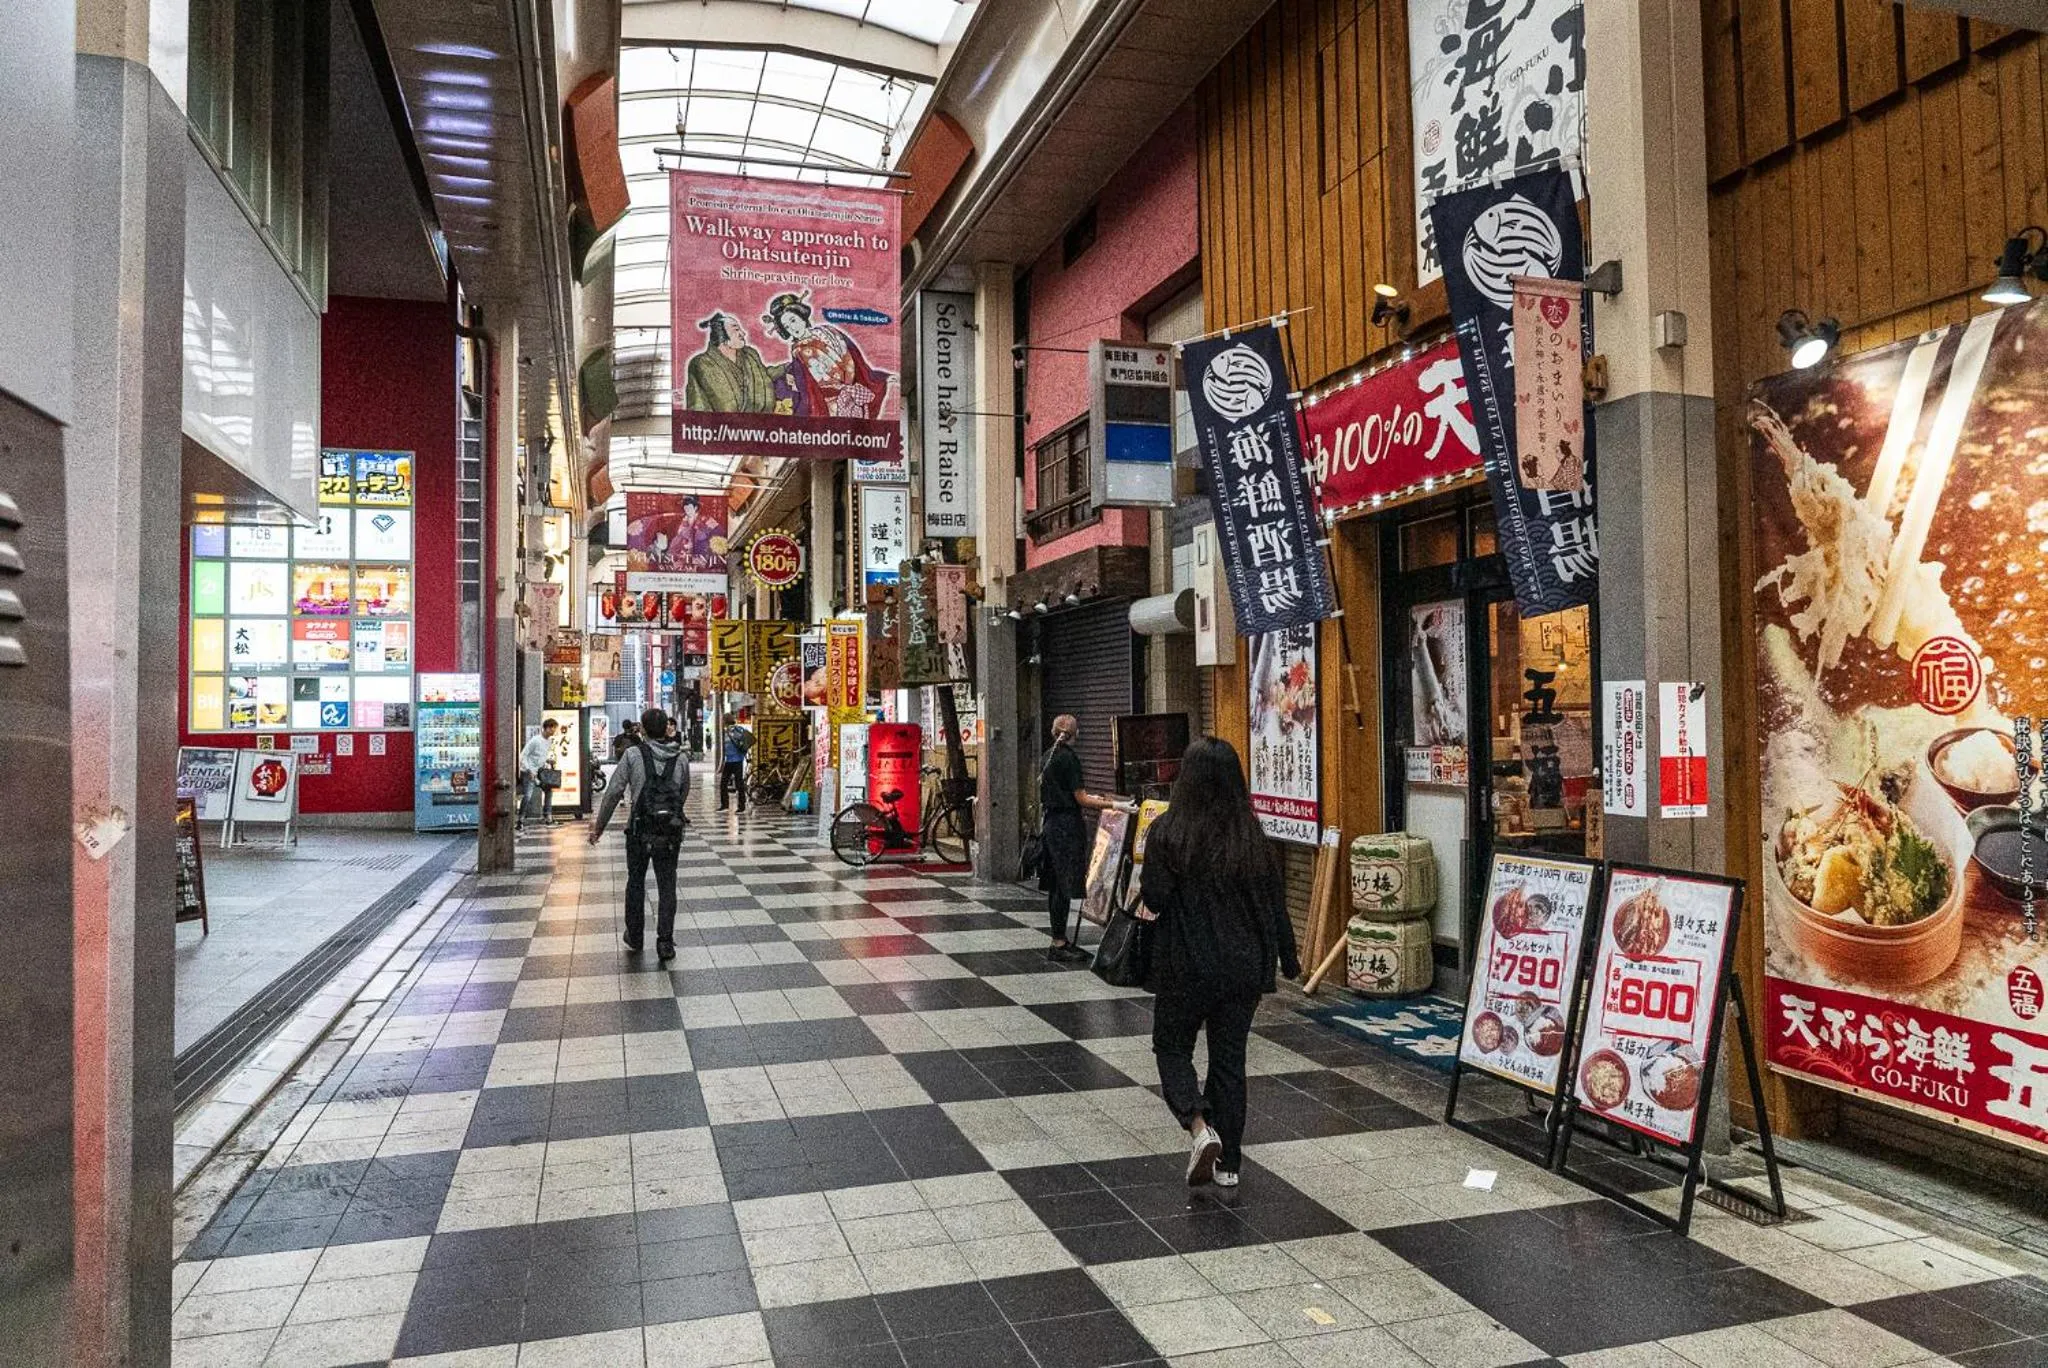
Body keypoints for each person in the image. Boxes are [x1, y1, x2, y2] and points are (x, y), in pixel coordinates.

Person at [1138, 737, 1301, 1188]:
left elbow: (1154, 896)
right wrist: (1289, 959)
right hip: (1243, 968)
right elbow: (1274, 904)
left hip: (1184, 964)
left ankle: (1198, 1126)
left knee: (1171, 1047)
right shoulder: (1252, 836)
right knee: (1229, 1060)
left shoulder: (1169, 832)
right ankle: (1229, 1165)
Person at [590, 707, 690, 960]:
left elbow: (613, 791)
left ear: (643, 729)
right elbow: (683, 793)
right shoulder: (680, 758)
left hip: (639, 829)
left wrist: (598, 827)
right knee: (667, 884)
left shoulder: (633, 754)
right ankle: (665, 941)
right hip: (669, 832)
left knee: (635, 881)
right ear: (666, 728)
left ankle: (635, 936)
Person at [1037, 714, 1117, 962]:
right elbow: (1081, 798)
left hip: (1051, 824)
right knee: (1063, 884)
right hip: (1066, 827)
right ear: (1074, 733)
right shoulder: (1068, 759)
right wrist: (1113, 804)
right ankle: (1059, 943)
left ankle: (1058, 938)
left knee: (1055, 886)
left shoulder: (1047, 756)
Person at [684, 311, 781, 414]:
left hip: (759, 423)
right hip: (722, 428)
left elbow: (763, 374)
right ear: (722, 336)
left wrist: (787, 368)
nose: (743, 333)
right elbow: (698, 406)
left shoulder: (749, 354)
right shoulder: (702, 364)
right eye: (736, 329)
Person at [518, 718, 559, 827]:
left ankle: (548, 817)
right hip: (529, 772)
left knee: (549, 791)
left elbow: (540, 756)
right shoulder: (535, 740)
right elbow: (523, 756)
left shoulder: (549, 741)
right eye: (553, 728)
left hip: (540, 772)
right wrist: (529, 770)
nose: (554, 731)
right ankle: (520, 820)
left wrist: (548, 761)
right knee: (527, 796)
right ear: (547, 728)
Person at [719, 713, 754, 812]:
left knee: (725, 783)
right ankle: (740, 807)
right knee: (738, 784)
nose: (721, 722)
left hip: (733, 760)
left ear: (725, 721)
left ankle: (726, 805)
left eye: (722, 720)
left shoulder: (730, 731)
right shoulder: (737, 729)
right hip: (736, 760)